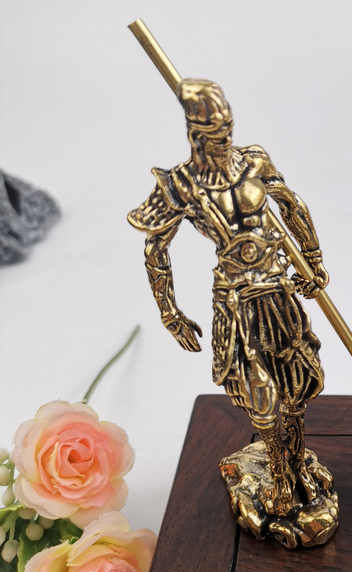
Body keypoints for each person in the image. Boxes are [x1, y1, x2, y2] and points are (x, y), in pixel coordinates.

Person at [128, 79, 329, 516]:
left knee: (298, 381)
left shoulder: (253, 160)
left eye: (228, 129)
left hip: (277, 288)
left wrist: (312, 259)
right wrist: (170, 312)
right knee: (260, 389)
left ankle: (297, 459)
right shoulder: (180, 186)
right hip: (236, 299)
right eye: (215, 134)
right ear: (195, 135)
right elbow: (155, 248)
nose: (225, 139)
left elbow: (292, 205)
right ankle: (278, 472)